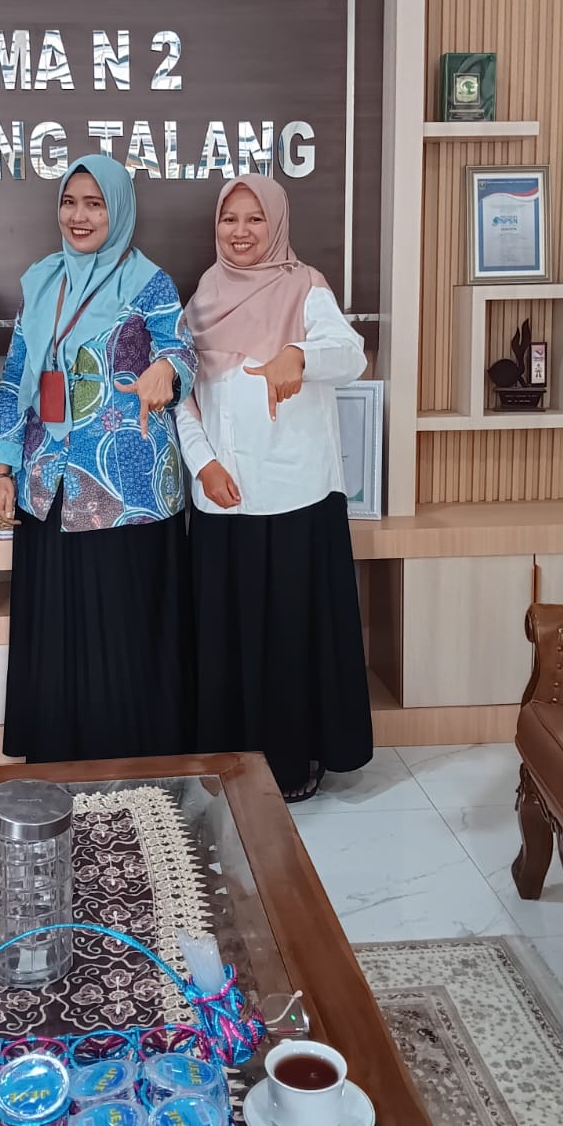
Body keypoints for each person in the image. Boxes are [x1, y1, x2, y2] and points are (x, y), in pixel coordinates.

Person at [0, 154, 197, 762]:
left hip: (127, 487)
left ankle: (133, 764)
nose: (79, 216)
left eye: (95, 204)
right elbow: (16, 379)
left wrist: (166, 370)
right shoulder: (41, 281)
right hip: (49, 483)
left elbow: (182, 349)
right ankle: (60, 762)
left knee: (124, 627)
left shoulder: (149, 282)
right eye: (69, 202)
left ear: (120, 210)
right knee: (59, 626)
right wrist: (2, 468)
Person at [177, 174, 374, 803]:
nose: (240, 232)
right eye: (229, 219)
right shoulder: (200, 302)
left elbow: (350, 354)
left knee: (289, 639)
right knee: (228, 642)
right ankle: (228, 763)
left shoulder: (304, 287)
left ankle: (291, 764)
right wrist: (203, 464)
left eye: (255, 218)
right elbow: (184, 399)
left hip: (295, 499)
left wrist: (298, 354)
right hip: (223, 499)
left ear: (277, 223)